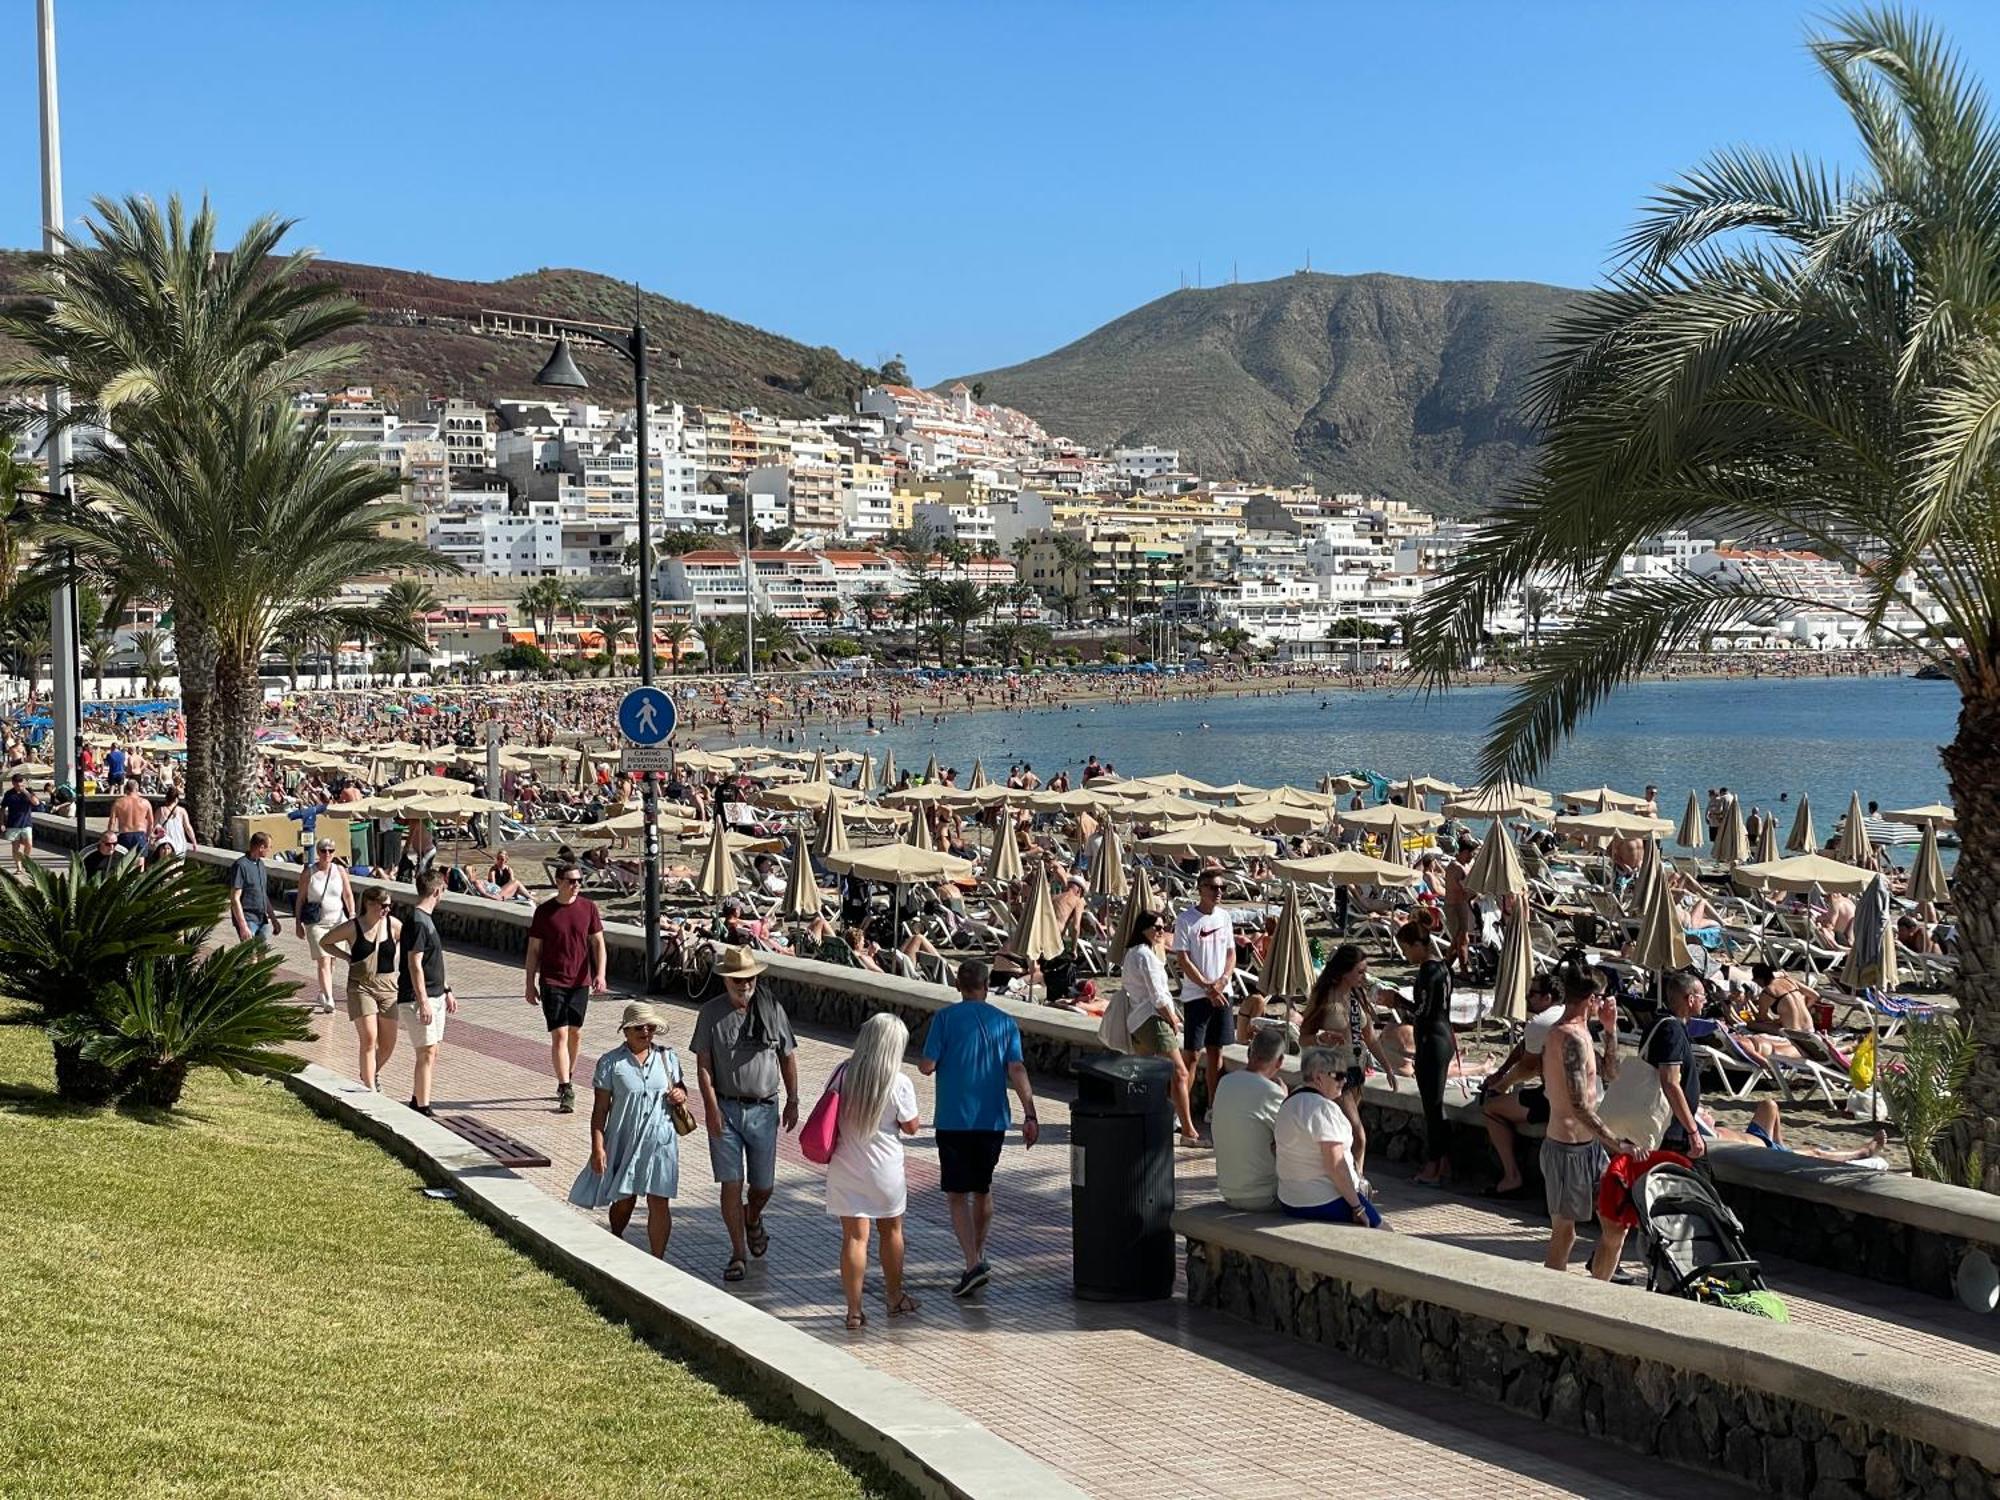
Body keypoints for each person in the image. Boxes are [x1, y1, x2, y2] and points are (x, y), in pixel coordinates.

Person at [919, 958, 1040, 1298]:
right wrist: (1030, 1114)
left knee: (957, 1194)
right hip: (992, 1120)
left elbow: (927, 1067)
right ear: (987, 986)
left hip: (954, 1119)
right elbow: (1017, 1069)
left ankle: (972, 1262)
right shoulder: (1005, 1022)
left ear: (958, 985)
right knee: (983, 1188)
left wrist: (929, 1061)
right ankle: (978, 1255)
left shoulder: (944, 1019)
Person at [692, 946, 801, 1283]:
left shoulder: (772, 1009)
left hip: (764, 1108)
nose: (744, 985)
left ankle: (752, 1217)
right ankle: (738, 1253)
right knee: (730, 1183)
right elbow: (704, 1066)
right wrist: (709, 1107)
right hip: (725, 1107)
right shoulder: (711, 1013)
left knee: (763, 1186)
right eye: (738, 980)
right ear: (726, 980)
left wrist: (794, 1099)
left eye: (750, 979)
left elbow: (787, 1057)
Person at [570, 1001, 689, 1259]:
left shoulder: (668, 1058)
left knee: (659, 1201)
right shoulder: (611, 1063)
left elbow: (681, 1088)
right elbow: (600, 1110)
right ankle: (616, 1238)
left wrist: (681, 1094)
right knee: (624, 1201)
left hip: (661, 1141)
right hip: (625, 1139)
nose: (645, 1031)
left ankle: (658, 1260)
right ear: (626, 1031)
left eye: (650, 1027)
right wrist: (597, 1146)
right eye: (638, 1027)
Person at [825, 1012, 921, 1330]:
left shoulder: (842, 1073)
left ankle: (854, 1311)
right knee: (891, 1232)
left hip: (846, 1166)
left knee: (854, 1237)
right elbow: (911, 1127)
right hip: (885, 1170)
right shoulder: (899, 1082)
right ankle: (894, 1298)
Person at [1539, 965, 1632, 1277]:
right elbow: (1579, 1106)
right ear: (1592, 999)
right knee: (1565, 1234)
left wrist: (1610, 1030)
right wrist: (1617, 1143)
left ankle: (1596, 1296)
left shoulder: (1582, 1035)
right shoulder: (1568, 1038)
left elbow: (1612, 1074)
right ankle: (1547, 1310)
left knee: (1616, 1225)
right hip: (1566, 1149)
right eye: (1601, 999)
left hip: (1590, 1148)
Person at [1298, 943, 1400, 1191]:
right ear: (1344, 972)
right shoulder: (1324, 997)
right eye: (1360, 972)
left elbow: (1370, 1037)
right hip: (1333, 1073)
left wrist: (1387, 1067)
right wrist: (1321, 1038)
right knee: (1357, 1134)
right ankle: (1356, 1185)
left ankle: (1346, 1181)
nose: (1364, 977)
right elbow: (1303, 1037)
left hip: (1355, 1070)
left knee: (1342, 1134)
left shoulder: (1357, 997)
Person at [524, 862, 607, 1113]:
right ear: (558, 882)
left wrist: (600, 974)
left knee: (575, 1033)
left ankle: (568, 1073)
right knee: (559, 1034)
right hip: (552, 981)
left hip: (579, 982)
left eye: (579, 881)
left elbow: (598, 944)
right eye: (571, 881)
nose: (576, 886)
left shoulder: (589, 908)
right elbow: (534, 950)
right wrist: (529, 983)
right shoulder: (544, 912)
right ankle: (566, 1086)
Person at [1275, 1048, 1384, 1227]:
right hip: (1322, 1200)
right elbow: (1335, 1165)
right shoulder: (1323, 1109)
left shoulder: (1290, 1102)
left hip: (1290, 1200)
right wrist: (1358, 1208)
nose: (1345, 1080)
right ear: (1319, 1077)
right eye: (1339, 1075)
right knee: (1386, 1234)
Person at [1478, 972, 1562, 1196]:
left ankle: (1511, 1176)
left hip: (1553, 1099)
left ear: (1547, 997)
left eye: (1532, 994)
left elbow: (1527, 1067)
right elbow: (1526, 1046)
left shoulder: (1540, 1022)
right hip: (1579, 1094)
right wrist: (1502, 1071)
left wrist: (1501, 1085)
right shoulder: (1562, 1015)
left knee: (1491, 1110)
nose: (1527, 998)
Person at [1121, 909, 1198, 1140]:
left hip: (1137, 1020)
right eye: (1157, 927)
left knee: (1145, 1075)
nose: (1161, 931)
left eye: (1163, 927)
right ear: (1143, 929)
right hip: (1153, 1019)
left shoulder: (1133, 953)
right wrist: (1173, 1019)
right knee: (1181, 1073)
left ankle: (1139, 1123)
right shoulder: (1145, 956)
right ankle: (1188, 1130)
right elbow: (1158, 996)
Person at [320, 886, 402, 1092]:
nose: (387, 910)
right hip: (361, 987)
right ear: (370, 904)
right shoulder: (353, 927)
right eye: (383, 906)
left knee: (388, 1044)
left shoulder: (393, 925)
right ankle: (370, 1089)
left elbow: (411, 943)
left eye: (389, 906)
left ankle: (371, 1071)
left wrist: (398, 955)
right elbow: (325, 942)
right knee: (369, 1038)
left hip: (388, 987)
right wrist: (347, 957)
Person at [1394, 918, 1455, 1186]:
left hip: (1432, 1039)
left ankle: (1432, 1166)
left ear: (1419, 945)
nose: (1406, 953)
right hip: (1442, 1036)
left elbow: (1423, 1011)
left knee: (1432, 1107)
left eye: (1407, 948)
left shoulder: (1429, 971)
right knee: (1435, 1105)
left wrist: (1396, 1001)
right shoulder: (1442, 968)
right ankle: (1444, 1164)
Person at [1172, 870, 1236, 1126]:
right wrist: (1208, 987)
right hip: (1196, 995)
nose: (1218, 892)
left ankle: (1213, 1106)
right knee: (1192, 1055)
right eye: (1213, 887)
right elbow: (1183, 959)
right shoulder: (1186, 920)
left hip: (1222, 993)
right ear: (1200, 888)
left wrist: (1222, 982)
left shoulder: (1225, 917)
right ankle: (1179, 1111)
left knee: (1216, 1053)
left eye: (1222, 887)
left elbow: (1231, 953)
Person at [397, 869, 456, 1116]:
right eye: (443, 890)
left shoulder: (426, 919)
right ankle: (423, 1107)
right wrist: (423, 1002)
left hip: (436, 994)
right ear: (436, 891)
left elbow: (433, 962)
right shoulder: (418, 922)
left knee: (432, 1050)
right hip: (418, 998)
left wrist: (446, 990)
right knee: (426, 1051)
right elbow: (415, 963)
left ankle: (417, 1098)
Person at [1211, 1027, 1288, 1210]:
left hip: (1228, 1191)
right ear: (1280, 1062)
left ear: (1249, 1053)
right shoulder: (1271, 1092)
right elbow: (1293, 1137)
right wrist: (1285, 1098)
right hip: (1263, 1195)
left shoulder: (1225, 1082)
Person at [1647, 970, 1708, 1162]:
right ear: (1690, 999)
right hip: (1671, 1131)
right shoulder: (1671, 1030)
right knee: (1696, 1182)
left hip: (1668, 1125)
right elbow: (1671, 1083)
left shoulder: (1661, 1023)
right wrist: (1692, 1131)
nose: (1705, 1001)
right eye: (1703, 997)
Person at [295, 839, 354, 1015]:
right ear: (318, 852)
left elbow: (348, 895)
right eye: (323, 850)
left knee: (333, 960)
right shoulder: (309, 873)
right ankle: (329, 998)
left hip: (338, 922)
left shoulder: (340, 871)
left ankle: (323, 991)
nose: (327, 854)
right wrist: (298, 923)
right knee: (324, 960)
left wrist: (352, 916)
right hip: (316, 924)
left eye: (331, 850)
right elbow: (300, 899)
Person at [229, 832, 275, 942]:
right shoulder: (241, 866)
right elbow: (235, 898)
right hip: (248, 918)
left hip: (262, 919)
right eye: (269, 847)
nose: (270, 849)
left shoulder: (261, 865)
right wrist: (243, 926)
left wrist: (274, 919)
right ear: (261, 847)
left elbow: (263, 894)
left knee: (262, 954)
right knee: (251, 956)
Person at [2, 773, 36, 875]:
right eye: (16, 782)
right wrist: (2, 823)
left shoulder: (28, 792)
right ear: (13, 783)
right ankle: (19, 867)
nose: (18, 784)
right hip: (13, 824)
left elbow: (36, 803)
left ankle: (26, 861)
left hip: (26, 823)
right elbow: (2, 809)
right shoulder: (9, 794)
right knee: (15, 847)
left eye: (20, 782)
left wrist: (25, 792)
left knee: (29, 844)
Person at [109, 779, 153, 857]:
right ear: (137, 789)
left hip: (124, 835)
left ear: (126, 789)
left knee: (123, 864)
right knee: (140, 864)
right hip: (140, 835)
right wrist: (148, 836)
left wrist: (110, 838)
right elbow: (151, 823)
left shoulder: (118, 802)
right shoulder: (145, 802)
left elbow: (112, 822)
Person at [152, 786, 196, 859]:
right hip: (180, 843)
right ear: (176, 799)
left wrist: (152, 838)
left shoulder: (160, 810)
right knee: (178, 867)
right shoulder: (182, 811)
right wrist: (194, 841)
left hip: (166, 844)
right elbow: (188, 828)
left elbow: (153, 827)